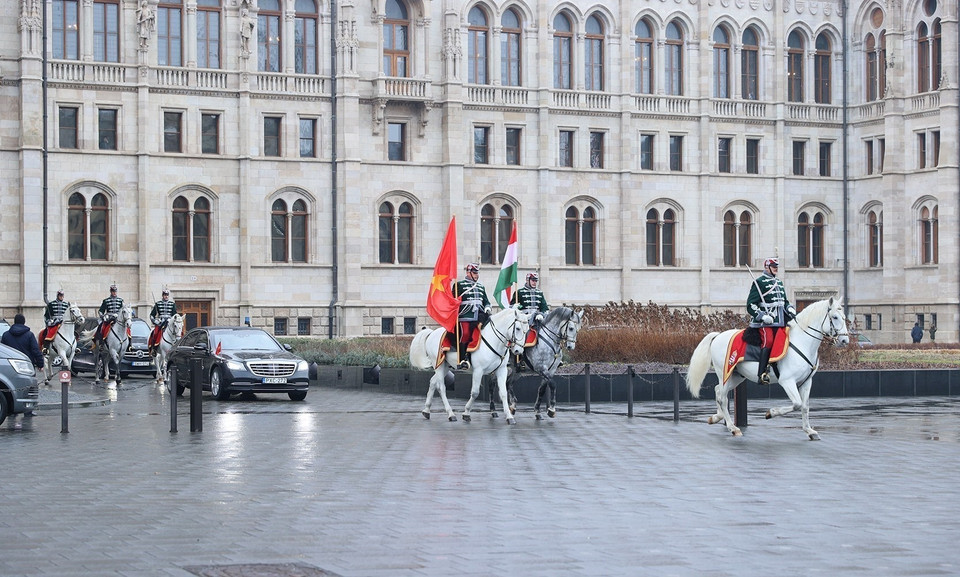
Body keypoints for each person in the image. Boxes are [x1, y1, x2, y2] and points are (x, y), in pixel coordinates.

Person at [747, 257, 796, 384]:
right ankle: (762, 373)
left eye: (776, 267)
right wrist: (762, 316)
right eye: (773, 267)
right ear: (767, 267)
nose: (776, 269)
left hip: (780, 320)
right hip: (765, 322)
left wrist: (790, 308)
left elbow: (784, 301)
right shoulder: (759, 282)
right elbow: (751, 304)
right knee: (768, 341)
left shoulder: (779, 282)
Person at [452, 263, 491, 370]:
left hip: (480, 315)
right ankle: (462, 359)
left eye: (477, 273)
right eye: (474, 273)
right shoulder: (459, 285)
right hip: (465, 315)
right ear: (468, 273)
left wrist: (487, 307)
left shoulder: (480, 287)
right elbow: (453, 300)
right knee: (465, 334)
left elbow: (486, 301)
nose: (476, 275)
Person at [38, 289, 70, 354]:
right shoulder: (51, 304)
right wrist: (49, 322)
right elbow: (47, 315)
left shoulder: (66, 305)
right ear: (58, 295)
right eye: (60, 295)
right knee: (49, 333)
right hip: (54, 323)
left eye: (62, 295)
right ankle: (46, 348)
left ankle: (74, 348)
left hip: (64, 323)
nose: (61, 297)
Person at [149, 289, 178, 353]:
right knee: (155, 333)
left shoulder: (172, 304)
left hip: (169, 322)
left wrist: (172, 320)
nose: (166, 296)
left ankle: (177, 347)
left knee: (178, 332)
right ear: (163, 296)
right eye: (165, 295)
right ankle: (154, 349)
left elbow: (175, 315)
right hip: (161, 322)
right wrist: (156, 321)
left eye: (167, 295)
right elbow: (151, 315)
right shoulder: (158, 304)